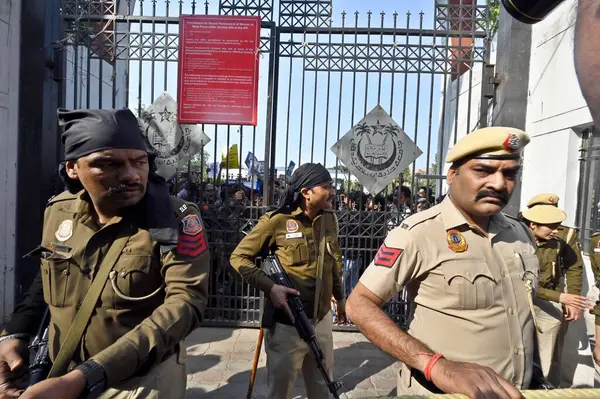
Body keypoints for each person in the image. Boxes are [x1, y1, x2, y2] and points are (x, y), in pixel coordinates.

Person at [0, 108, 210, 399]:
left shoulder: (174, 219)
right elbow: (47, 272)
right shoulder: (59, 211)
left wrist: (88, 375)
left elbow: (186, 303)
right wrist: (15, 333)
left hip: (138, 382)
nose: (131, 174)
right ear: (73, 168)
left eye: (140, 161)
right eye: (108, 164)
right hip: (58, 373)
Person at [346, 127, 539, 398]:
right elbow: (359, 304)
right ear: (452, 175)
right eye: (482, 171)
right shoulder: (418, 232)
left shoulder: (521, 234)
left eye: (509, 174)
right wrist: (436, 366)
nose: (498, 183)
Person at [229, 163, 345, 399]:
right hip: (287, 327)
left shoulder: (329, 219)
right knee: (280, 392)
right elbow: (238, 257)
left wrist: (341, 298)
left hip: (321, 321)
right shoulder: (277, 221)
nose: (332, 191)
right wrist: (271, 287)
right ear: (306, 193)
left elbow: (334, 262)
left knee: (323, 389)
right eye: (326, 186)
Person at [520, 197, 591, 387]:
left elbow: (574, 266)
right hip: (519, 299)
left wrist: (571, 300)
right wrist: (561, 297)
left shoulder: (563, 236)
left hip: (547, 300)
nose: (555, 230)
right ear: (533, 224)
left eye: (557, 223)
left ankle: (548, 388)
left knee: (549, 354)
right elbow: (521, 280)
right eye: (550, 225)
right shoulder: (514, 235)